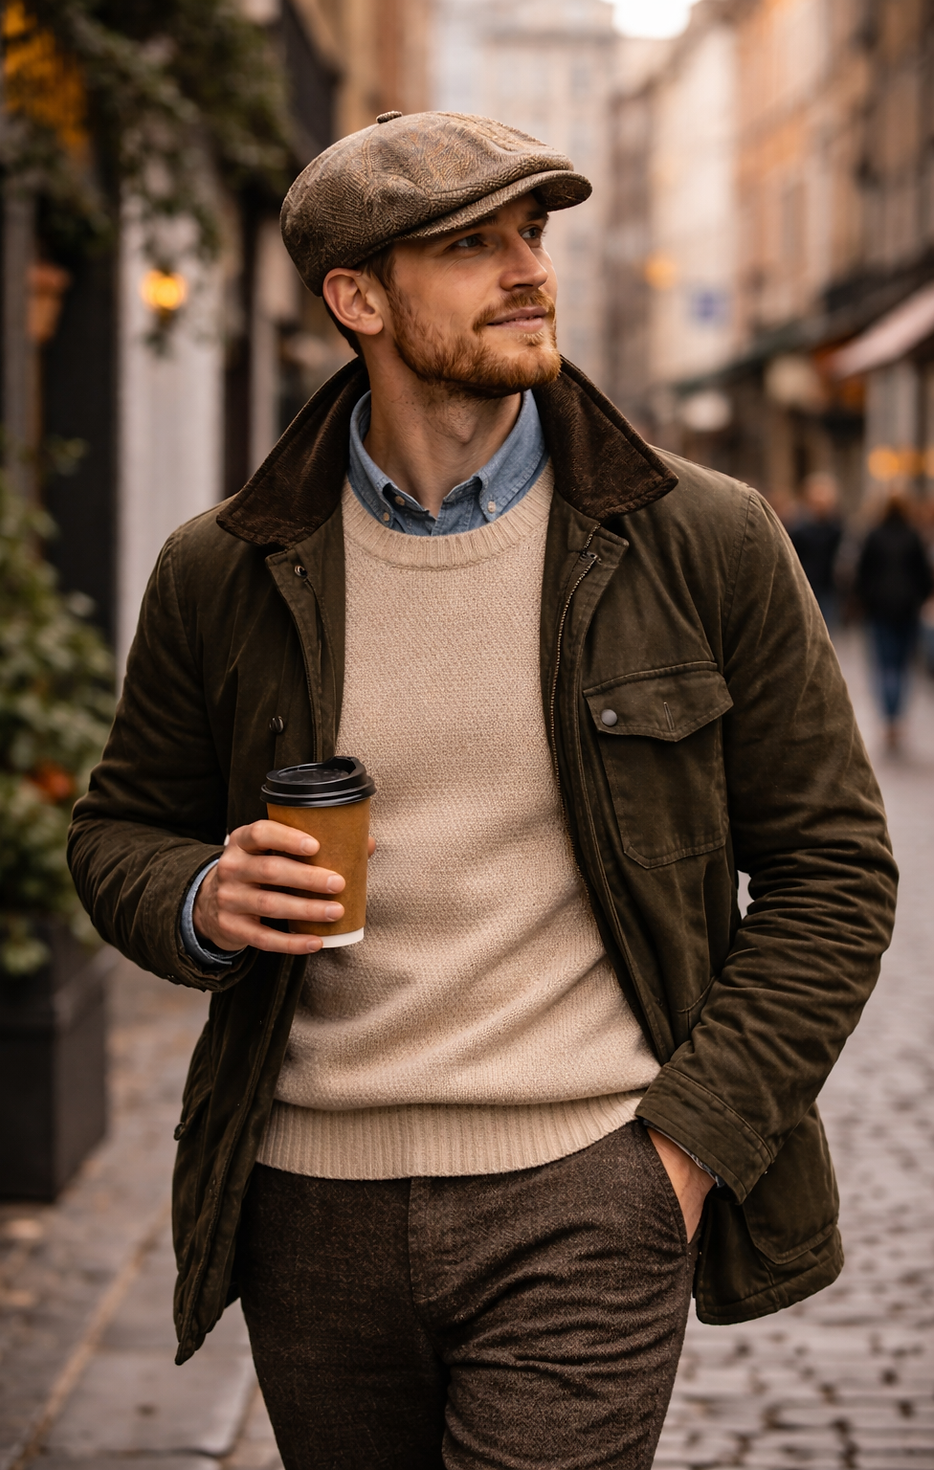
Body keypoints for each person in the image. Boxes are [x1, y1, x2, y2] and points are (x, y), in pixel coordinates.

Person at [69, 112, 897, 1469]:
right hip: (305, 1209)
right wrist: (203, 893)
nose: (529, 271)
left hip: (587, 1191)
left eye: (534, 234)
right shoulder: (223, 568)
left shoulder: (702, 539)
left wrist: (680, 1151)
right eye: (470, 244)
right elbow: (116, 829)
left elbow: (835, 873)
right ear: (359, 299)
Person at [855, 493, 933, 751]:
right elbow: (924, 574)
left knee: (884, 664)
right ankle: (897, 717)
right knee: (901, 665)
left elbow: (863, 572)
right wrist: (919, 597)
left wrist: (866, 599)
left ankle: (888, 718)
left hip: (879, 608)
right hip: (907, 608)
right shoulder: (913, 536)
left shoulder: (874, 535)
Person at [788, 471, 844, 630]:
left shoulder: (836, 529)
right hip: (806, 584)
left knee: (825, 628)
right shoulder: (799, 529)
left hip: (827, 585)